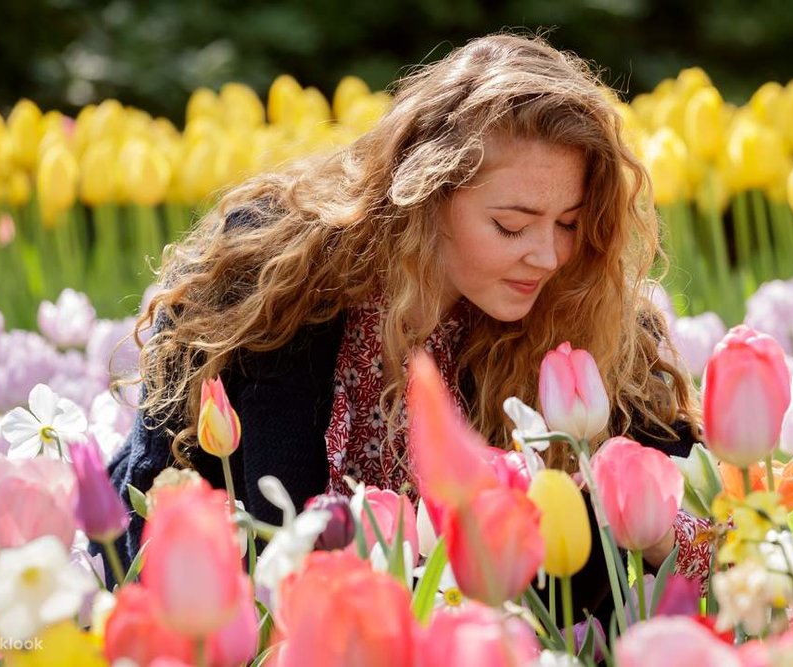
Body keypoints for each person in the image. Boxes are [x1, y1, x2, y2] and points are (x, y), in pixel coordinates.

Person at [102, 32, 712, 614]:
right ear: (428, 193)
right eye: (511, 225)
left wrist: (654, 528)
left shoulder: (584, 311)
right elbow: (152, 506)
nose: (549, 256)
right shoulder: (271, 278)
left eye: (570, 223)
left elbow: (702, 531)